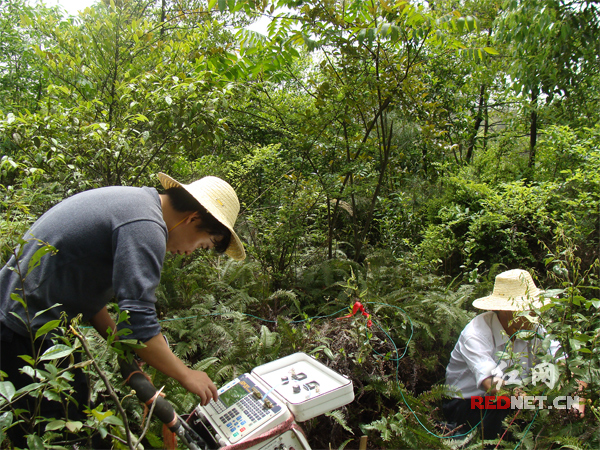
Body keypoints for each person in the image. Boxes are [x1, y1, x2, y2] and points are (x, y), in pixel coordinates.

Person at [0, 172, 245, 446]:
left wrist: (120, 342)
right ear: (193, 218)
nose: (191, 252)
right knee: (65, 436)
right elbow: (140, 324)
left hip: (24, 325)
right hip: (20, 332)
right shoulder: (146, 225)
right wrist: (187, 374)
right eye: (203, 244)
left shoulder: (136, 204)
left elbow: (90, 299)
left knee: (79, 415)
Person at [442, 269, 556, 441]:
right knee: (502, 403)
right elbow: (492, 384)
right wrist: (531, 402)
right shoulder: (476, 333)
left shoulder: (534, 328)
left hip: (517, 401)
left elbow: (560, 358)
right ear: (506, 311)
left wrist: (577, 393)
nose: (533, 314)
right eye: (527, 309)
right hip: (467, 403)